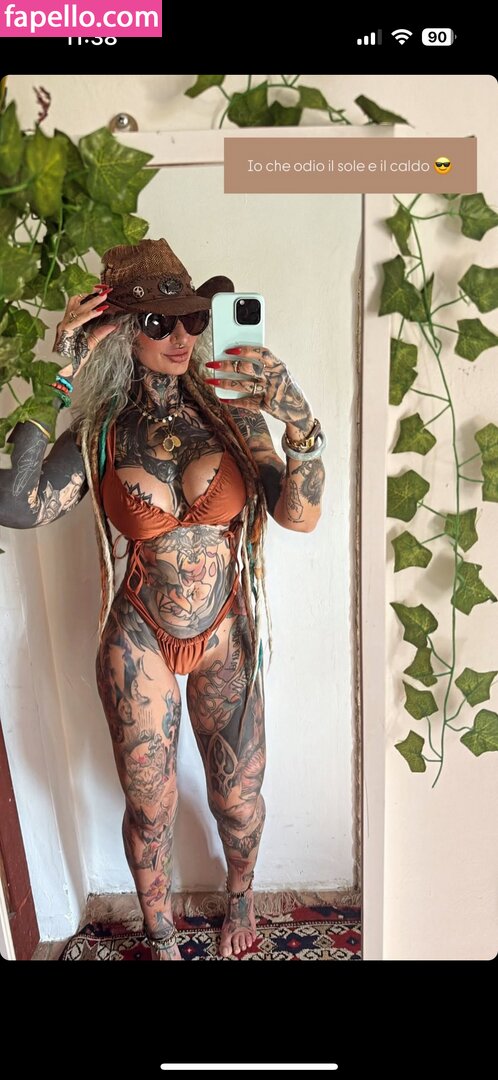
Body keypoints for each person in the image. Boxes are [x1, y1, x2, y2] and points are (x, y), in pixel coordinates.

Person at [0, 238, 326, 961]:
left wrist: (299, 420)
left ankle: (240, 896)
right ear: (119, 332)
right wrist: (60, 372)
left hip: (225, 629)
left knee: (238, 801)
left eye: (192, 319)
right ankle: (161, 933)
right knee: (150, 808)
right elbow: (17, 504)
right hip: (140, 635)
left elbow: (299, 517)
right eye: (157, 322)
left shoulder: (234, 419)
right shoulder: (101, 433)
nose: (181, 335)